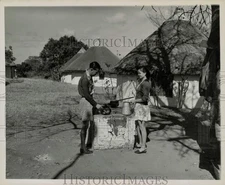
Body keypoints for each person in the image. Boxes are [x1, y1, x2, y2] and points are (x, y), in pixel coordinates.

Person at [78, 61, 103, 154]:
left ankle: (86, 144)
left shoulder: (89, 77)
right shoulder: (85, 79)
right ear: (91, 69)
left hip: (89, 101)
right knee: (84, 125)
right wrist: (96, 104)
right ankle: (82, 147)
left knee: (88, 125)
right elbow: (87, 95)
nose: (96, 74)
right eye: (95, 72)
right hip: (86, 101)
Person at [132, 67, 151, 154]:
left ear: (145, 73)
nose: (138, 74)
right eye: (138, 73)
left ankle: (143, 147)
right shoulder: (141, 82)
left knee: (142, 126)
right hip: (139, 106)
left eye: (140, 73)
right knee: (138, 125)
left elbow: (145, 98)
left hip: (142, 107)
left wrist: (134, 100)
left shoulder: (146, 83)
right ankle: (140, 143)